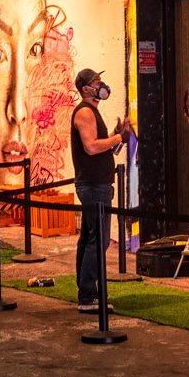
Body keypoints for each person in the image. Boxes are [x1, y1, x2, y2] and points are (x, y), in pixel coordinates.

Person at [70, 68, 132, 314]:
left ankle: (87, 293)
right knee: (99, 240)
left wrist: (118, 138)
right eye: (96, 81)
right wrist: (117, 138)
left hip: (96, 184)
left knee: (89, 239)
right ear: (86, 88)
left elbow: (103, 149)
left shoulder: (91, 112)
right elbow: (92, 148)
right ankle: (87, 296)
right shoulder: (85, 112)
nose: (101, 84)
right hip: (94, 186)